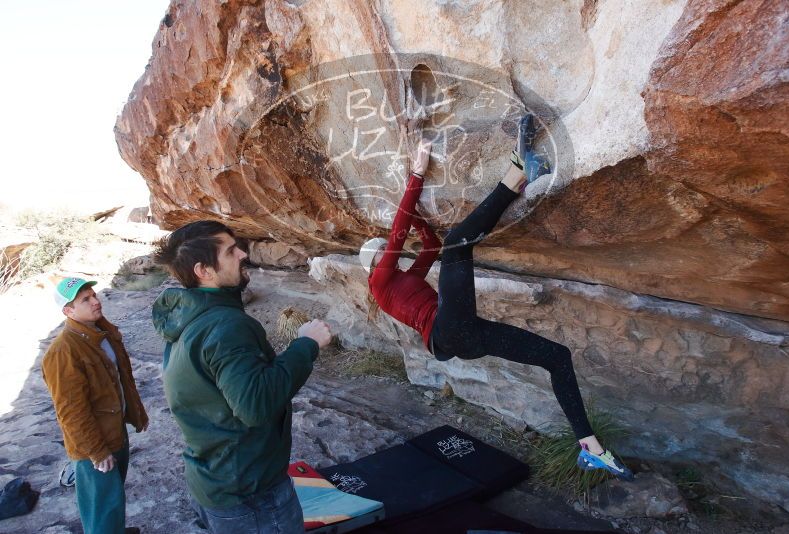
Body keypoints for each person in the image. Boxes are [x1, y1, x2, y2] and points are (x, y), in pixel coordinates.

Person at [360, 114, 633, 480]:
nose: (386, 250)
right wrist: (417, 173)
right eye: (380, 251)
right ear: (374, 262)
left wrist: (422, 219)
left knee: (556, 356)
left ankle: (590, 448)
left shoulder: (403, 281)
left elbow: (431, 246)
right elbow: (398, 233)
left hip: (463, 337)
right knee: (459, 242)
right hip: (448, 330)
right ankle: (519, 170)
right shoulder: (379, 283)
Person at [152, 220, 333, 534]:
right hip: (251, 495)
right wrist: (306, 345)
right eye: (230, 251)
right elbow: (255, 405)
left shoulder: (188, 318)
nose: (242, 255)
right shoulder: (225, 327)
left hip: (215, 480)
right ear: (203, 271)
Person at [42, 277, 149, 534]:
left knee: (113, 497)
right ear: (68, 311)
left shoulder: (102, 333)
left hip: (114, 431)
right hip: (94, 444)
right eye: (85, 300)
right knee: (103, 508)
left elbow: (122, 380)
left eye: (94, 295)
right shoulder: (63, 351)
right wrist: (97, 451)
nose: (95, 302)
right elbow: (70, 411)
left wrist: (136, 414)